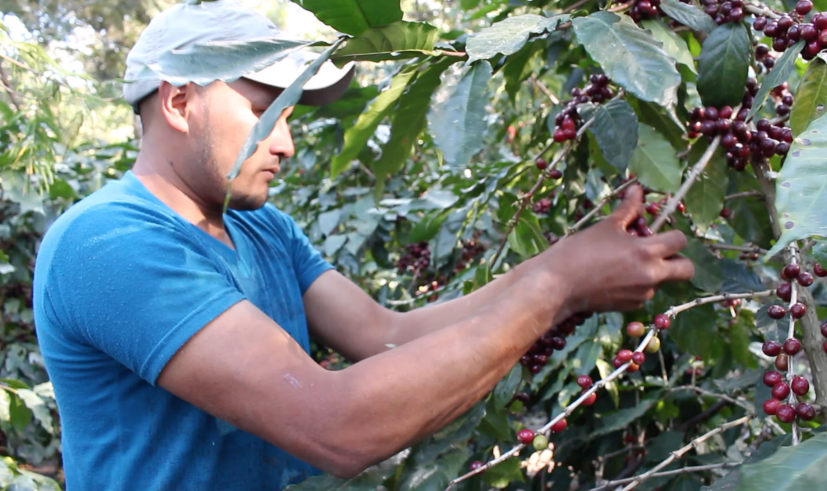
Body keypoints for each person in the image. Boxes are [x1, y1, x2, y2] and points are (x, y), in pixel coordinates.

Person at [31, 0, 695, 489]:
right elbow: (335, 424)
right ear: (179, 103)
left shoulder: (261, 227)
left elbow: (386, 335)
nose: (286, 143)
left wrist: (562, 259)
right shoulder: (107, 243)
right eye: (267, 112)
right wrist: (558, 289)